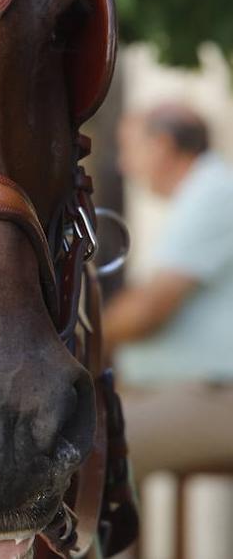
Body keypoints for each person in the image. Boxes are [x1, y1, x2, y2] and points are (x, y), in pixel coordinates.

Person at [105, 102, 233, 487]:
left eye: (129, 148)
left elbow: (147, 310)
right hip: (193, 391)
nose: (125, 166)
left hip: (218, 394)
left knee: (83, 447)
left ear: (161, 145)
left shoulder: (211, 191)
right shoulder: (204, 191)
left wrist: (80, 338)